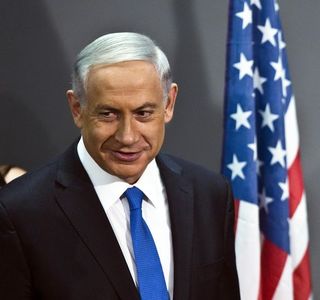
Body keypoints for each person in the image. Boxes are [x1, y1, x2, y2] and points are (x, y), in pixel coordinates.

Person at [0, 32, 240, 300]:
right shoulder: (19, 213)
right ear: (77, 108)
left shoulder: (210, 195)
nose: (127, 136)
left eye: (143, 113)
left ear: (169, 103)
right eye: (108, 114)